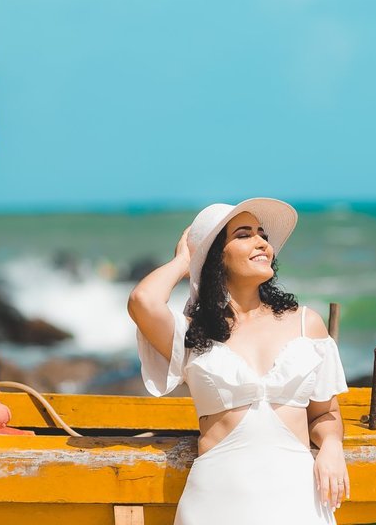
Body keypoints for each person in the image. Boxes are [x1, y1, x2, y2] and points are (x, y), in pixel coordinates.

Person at [129, 198, 349, 524]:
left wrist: (331, 446)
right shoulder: (193, 333)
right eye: (244, 235)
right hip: (216, 501)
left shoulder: (306, 323)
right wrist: (186, 259)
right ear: (216, 256)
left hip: (298, 498)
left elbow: (324, 413)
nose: (262, 243)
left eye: (263, 235)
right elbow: (142, 301)